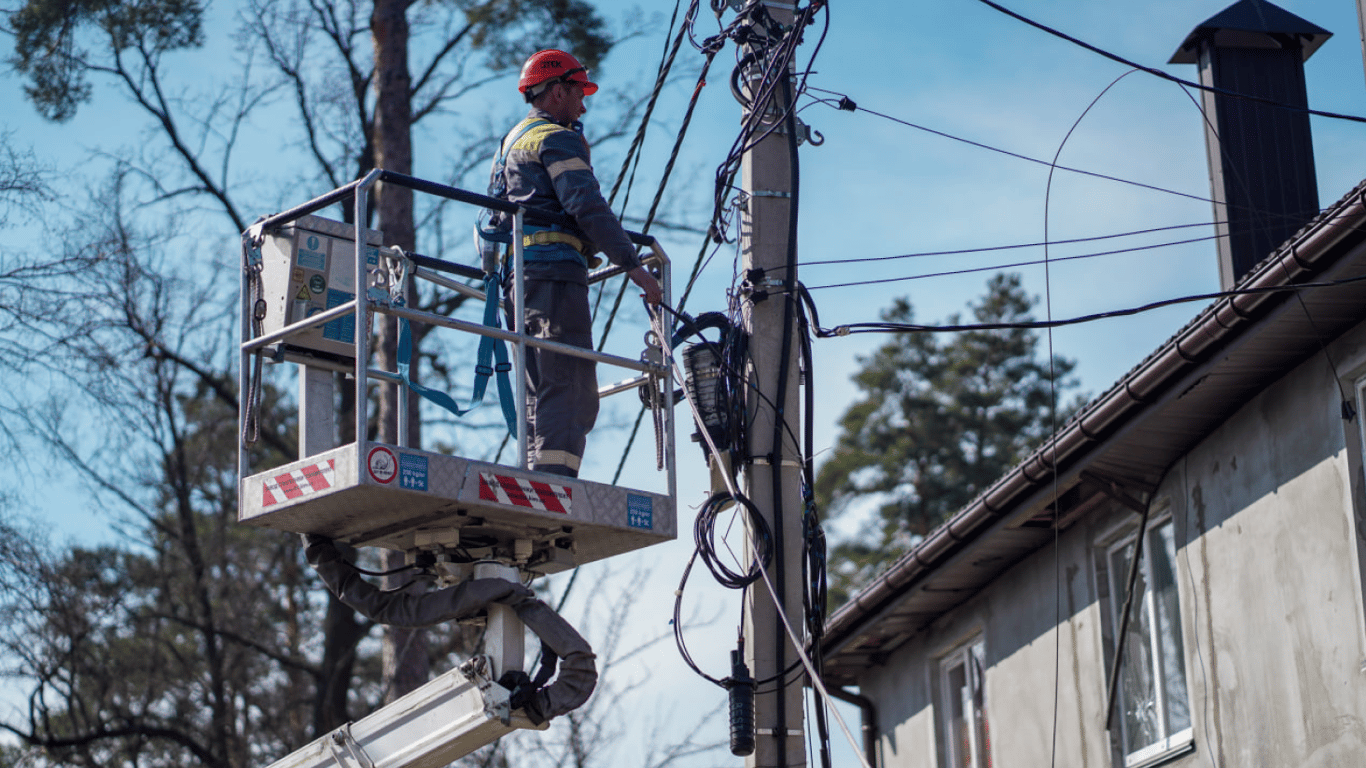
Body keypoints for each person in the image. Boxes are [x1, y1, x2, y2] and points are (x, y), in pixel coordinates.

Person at [491, 49, 662, 478]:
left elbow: (496, 219)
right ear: (556, 91)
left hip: (519, 282)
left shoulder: (511, 143)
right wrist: (634, 266)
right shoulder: (555, 137)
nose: (583, 105)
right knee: (570, 385)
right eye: (579, 93)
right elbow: (585, 204)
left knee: (541, 386)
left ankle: (537, 479)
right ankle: (555, 488)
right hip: (553, 278)